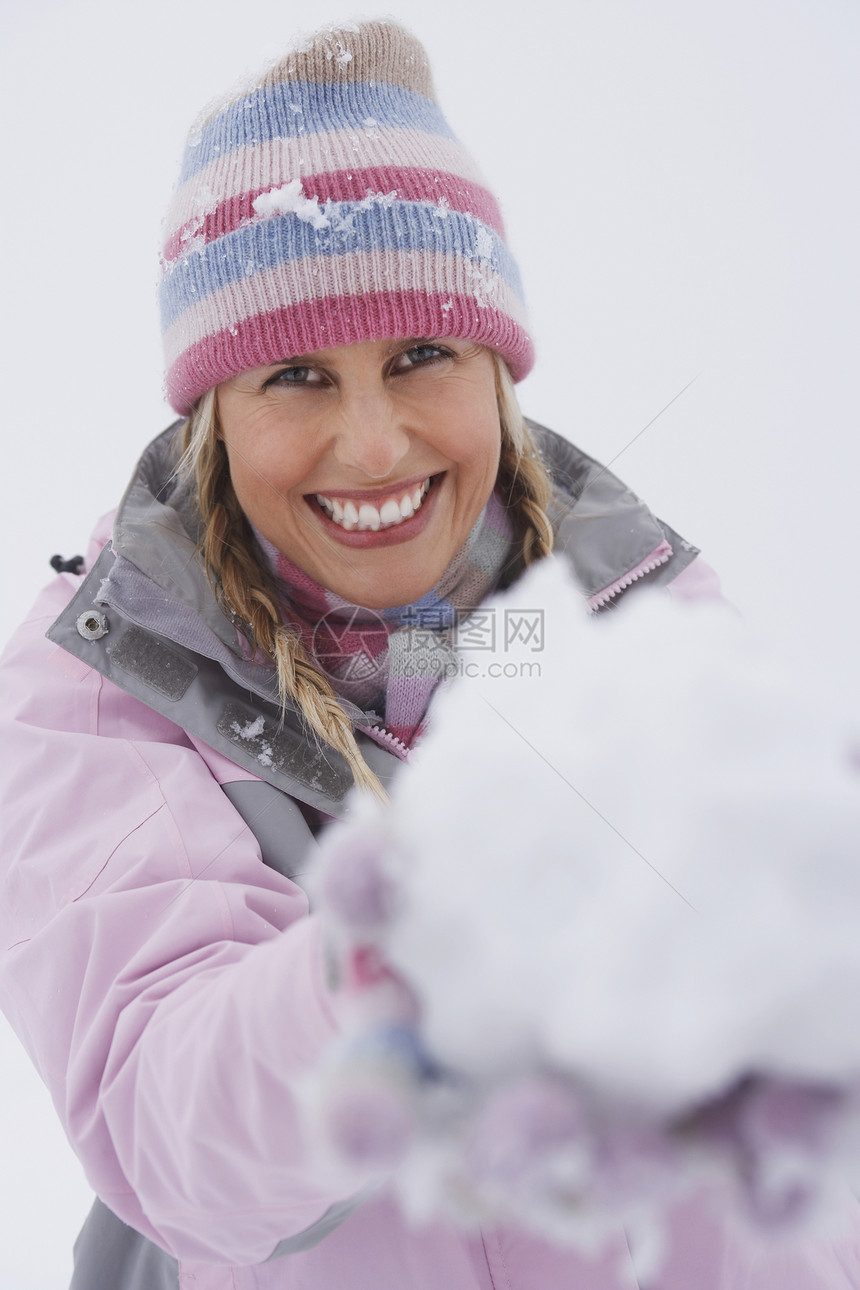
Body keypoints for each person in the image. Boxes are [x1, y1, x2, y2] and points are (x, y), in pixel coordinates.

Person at [2, 18, 826, 1290]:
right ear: (213, 411)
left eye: (419, 353)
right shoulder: (105, 685)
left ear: (492, 363)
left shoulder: (644, 621)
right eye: (295, 375)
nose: (376, 445)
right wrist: (404, 951)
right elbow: (171, 1135)